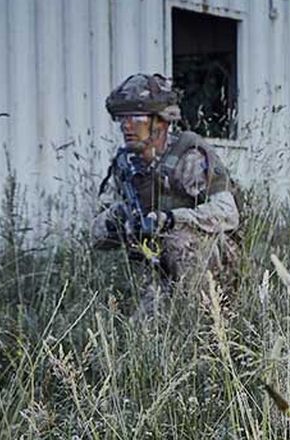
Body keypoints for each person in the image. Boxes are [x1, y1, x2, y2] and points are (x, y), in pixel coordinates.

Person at [91, 74, 241, 302]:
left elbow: (228, 212)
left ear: (161, 121)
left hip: (210, 262)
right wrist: (119, 218)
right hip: (154, 265)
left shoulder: (187, 158)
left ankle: (202, 312)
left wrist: (171, 219)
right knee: (144, 325)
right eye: (122, 118)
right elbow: (96, 236)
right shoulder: (126, 166)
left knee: (178, 240)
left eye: (136, 117)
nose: (126, 125)